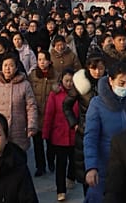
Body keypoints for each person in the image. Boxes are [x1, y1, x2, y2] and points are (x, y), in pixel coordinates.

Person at [83, 62, 126, 203]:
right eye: (121, 83)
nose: (125, 87)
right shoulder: (97, 104)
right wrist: (91, 167)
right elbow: (90, 137)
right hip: (105, 167)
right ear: (111, 80)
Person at [0, 52, 38, 152]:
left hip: (18, 129)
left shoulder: (25, 85)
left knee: (18, 159)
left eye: (11, 65)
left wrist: (31, 125)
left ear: (16, 68)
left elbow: (31, 106)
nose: (7, 68)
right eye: (5, 65)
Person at [63, 54, 105, 193]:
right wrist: (74, 123)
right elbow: (66, 105)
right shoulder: (81, 84)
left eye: (100, 68)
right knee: (87, 169)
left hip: (106, 130)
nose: (98, 72)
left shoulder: (109, 83)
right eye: (94, 68)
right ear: (88, 68)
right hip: (85, 130)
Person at [43, 68, 76, 201]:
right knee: (61, 164)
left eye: (72, 81)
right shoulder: (54, 95)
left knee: (74, 161)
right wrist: (46, 133)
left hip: (74, 134)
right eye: (67, 80)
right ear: (61, 80)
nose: (69, 83)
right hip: (59, 135)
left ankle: (71, 177)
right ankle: (60, 190)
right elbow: (49, 115)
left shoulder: (79, 94)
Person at [28, 50, 56, 176]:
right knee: (37, 143)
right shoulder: (33, 75)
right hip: (37, 114)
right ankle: (40, 166)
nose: (42, 62)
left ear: (49, 61)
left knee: (51, 143)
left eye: (44, 59)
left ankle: (51, 161)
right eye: (39, 59)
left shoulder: (56, 75)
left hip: (51, 115)